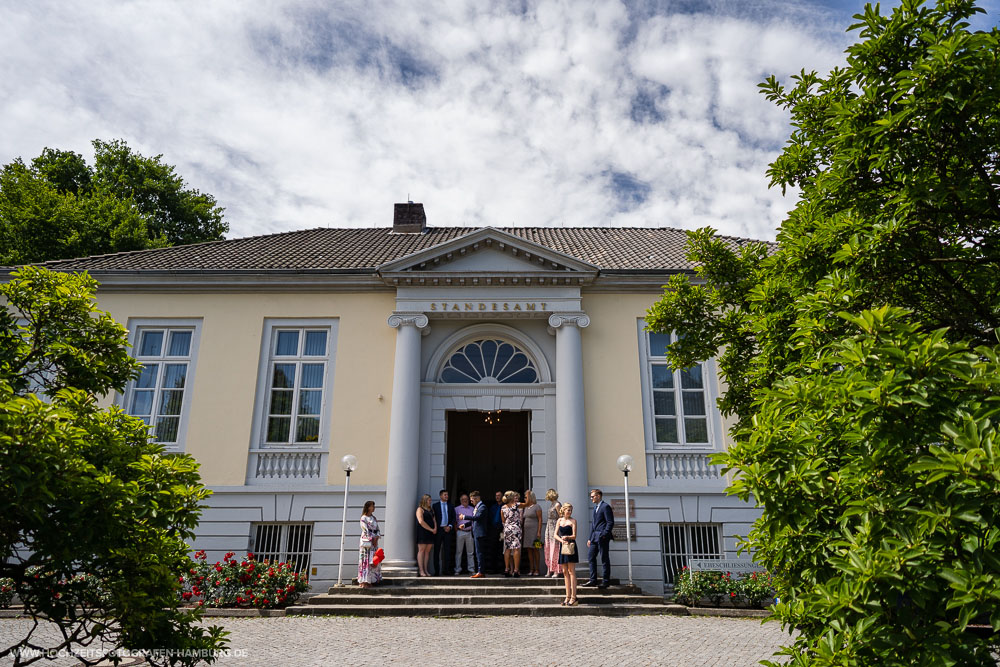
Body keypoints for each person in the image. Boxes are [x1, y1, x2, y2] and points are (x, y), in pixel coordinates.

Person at [582, 488, 614, 589]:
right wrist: (589, 538)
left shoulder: (605, 507)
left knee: (604, 558)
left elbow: (610, 522)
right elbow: (593, 525)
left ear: (598, 496)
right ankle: (593, 580)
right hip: (594, 537)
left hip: (602, 537)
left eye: (592, 496)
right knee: (591, 557)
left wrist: (604, 534)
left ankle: (606, 581)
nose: (591, 498)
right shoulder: (595, 508)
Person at [459, 490, 489, 578]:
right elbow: (474, 521)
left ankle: (481, 571)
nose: (471, 502)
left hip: (480, 533)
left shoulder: (482, 507)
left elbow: (477, 518)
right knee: (478, 552)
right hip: (476, 533)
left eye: (472, 500)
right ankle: (480, 571)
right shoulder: (477, 507)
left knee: (479, 553)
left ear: (477, 498)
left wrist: (464, 517)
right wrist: (465, 525)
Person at [555, 502, 579, 606]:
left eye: (570, 510)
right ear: (563, 510)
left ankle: (574, 597)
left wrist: (567, 537)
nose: (569, 512)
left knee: (571, 571)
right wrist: (561, 540)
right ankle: (567, 596)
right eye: (568, 510)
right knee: (564, 572)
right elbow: (555, 535)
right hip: (563, 546)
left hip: (571, 546)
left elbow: (574, 535)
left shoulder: (573, 521)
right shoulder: (559, 520)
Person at [358, 500, 381, 588]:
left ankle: (371, 580)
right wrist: (372, 539)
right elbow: (365, 530)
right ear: (368, 507)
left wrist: (377, 537)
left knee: (373, 560)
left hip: (374, 542)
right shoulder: (363, 518)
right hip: (367, 543)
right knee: (366, 561)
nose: (374, 507)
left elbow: (378, 529)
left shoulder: (374, 518)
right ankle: (364, 581)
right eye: (372, 506)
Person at [432, 489, 455, 576]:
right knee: (436, 551)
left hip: (447, 530)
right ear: (441, 496)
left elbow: (453, 518)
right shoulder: (435, 506)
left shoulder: (451, 506)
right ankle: (437, 571)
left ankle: (447, 570)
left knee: (447, 551)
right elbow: (433, 518)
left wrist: (450, 526)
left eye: (447, 495)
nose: (447, 496)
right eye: (445, 495)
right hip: (438, 531)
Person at [519, 489, 543, 575]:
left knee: (536, 549)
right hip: (527, 531)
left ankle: (537, 569)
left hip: (535, 530)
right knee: (529, 549)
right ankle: (531, 569)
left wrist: (539, 532)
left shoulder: (537, 506)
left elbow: (540, 519)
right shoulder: (525, 507)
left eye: (526, 497)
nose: (525, 499)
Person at [501, 490, 523, 577]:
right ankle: (516, 570)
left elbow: (503, 520)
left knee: (507, 549)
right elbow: (528, 503)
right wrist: (528, 495)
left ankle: (507, 569)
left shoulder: (503, 507)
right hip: (515, 528)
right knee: (516, 549)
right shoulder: (516, 505)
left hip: (507, 528)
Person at [415, 494, 437, 577]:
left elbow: (434, 520)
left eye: (430, 500)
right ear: (424, 500)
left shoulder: (431, 509)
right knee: (421, 551)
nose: (430, 502)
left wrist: (435, 528)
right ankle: (421, 571)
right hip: (423, 532)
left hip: (431, 533)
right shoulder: (420, 509)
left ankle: (426, 570)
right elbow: (421, 521)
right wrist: (431, 529)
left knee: (427, 552)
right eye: (429, 500)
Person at [453, 492, 475, 574]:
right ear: (460, 500)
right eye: (463, 499)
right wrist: (456, 531)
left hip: (469, 532)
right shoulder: (456, 509)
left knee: (470, 552)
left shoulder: (472, 509)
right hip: (460, 532)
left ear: (468, 500)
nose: (465, 500)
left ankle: (471, 569)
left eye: (466, 499)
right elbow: (454, 521)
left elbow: (474, 521)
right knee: (458, 552)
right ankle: (457, 569)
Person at [543, 489, 562, 578]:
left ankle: (556, 571)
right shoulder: (552, 504)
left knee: (555, 548)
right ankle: (549, 569)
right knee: (549, 548)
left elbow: (560, 516)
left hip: (555, 527)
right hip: (549, 527)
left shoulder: (557, 504)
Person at [487, 490, 504, 573]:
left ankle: (501, 568)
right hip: (493, 529)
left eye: (499, 495)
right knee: (493, 549)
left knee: (501, 550)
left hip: (502, 530)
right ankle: (493, 568)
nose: (497, 497)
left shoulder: (505, 506)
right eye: (496, 495)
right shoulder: (493, 507)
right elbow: (490, 518)